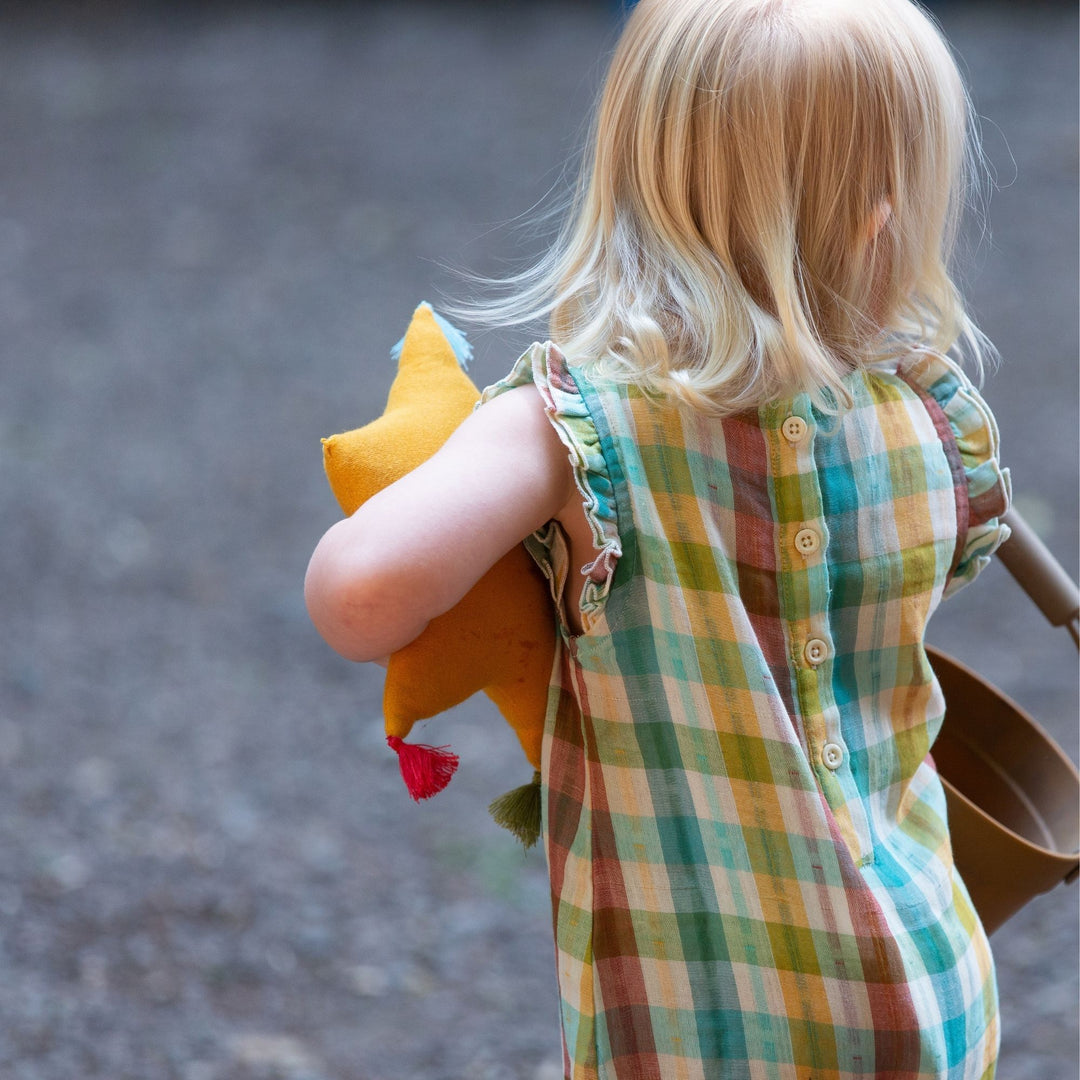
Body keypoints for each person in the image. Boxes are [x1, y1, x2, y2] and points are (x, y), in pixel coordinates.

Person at [305, 0, 1012, 1075]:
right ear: (884, 221)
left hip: (710, 1028)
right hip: (927, 998)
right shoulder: (930, 423)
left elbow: (358, 599)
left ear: (631, 183)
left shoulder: (574, 429)